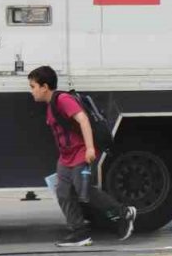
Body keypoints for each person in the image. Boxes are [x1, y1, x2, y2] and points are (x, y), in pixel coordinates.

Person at [27, 66, 136, 246]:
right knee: (62, 192)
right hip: (65, 157)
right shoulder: (50, 105)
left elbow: (83, 119)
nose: (31, 91)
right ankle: (80, 232)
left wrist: (90, 148)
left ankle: (124, 212)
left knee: (83, 190)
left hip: (80, 151)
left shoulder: (63, 99)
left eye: (33, 87)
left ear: (44, 86)